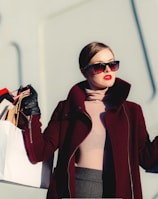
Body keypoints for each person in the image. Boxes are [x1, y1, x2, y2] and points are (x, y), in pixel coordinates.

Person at [19, 41, 158, 199]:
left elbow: (146, 158)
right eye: (99, 66)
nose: (107, 70)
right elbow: (39, 152)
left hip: (118, 190)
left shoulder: (131, 111)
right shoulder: (68, 108)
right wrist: (31, 113)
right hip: (77, 189)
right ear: (84, 71)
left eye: (112, 64)